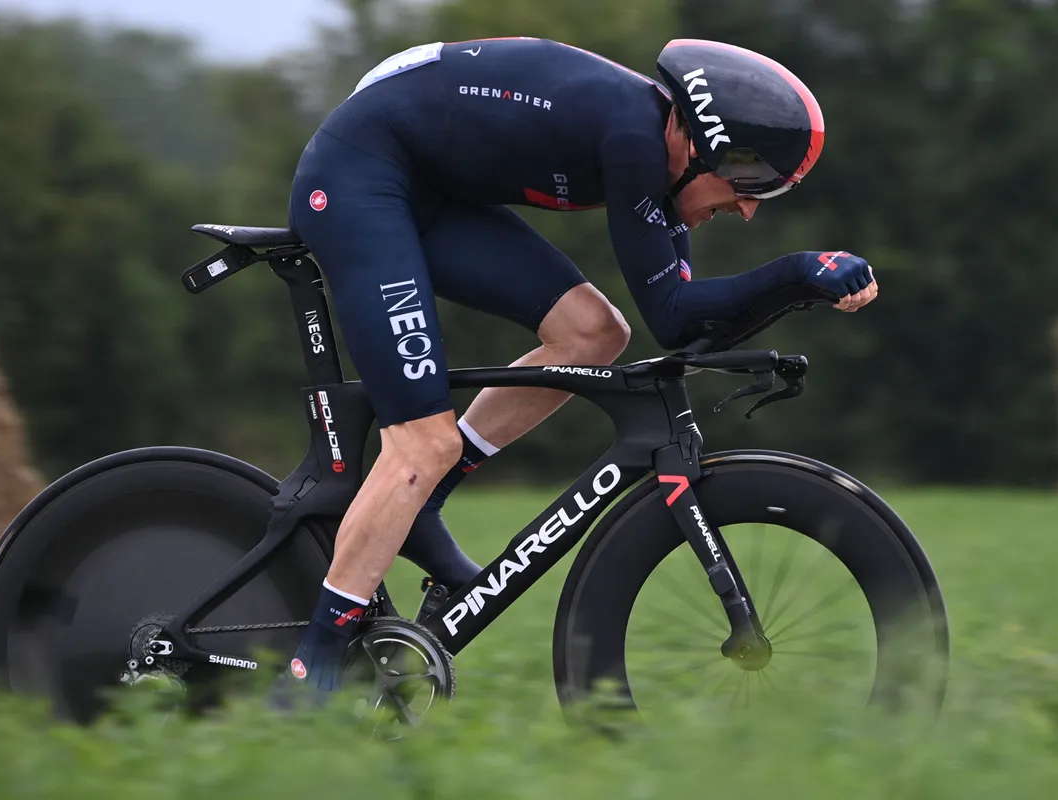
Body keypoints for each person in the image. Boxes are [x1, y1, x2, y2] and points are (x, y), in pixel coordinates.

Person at [276, 36, 877, 697]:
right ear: (696, 143)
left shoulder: (658, 144)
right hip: (363, 177)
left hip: (425, 187)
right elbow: (675, 312)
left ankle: (423, 506)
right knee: (420, 443)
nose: (749, 206)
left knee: (594, 333)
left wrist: (800, 289)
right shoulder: (633, 141)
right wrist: (795, 270)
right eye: (748, 181)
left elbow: (680, 328)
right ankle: (309, 675)